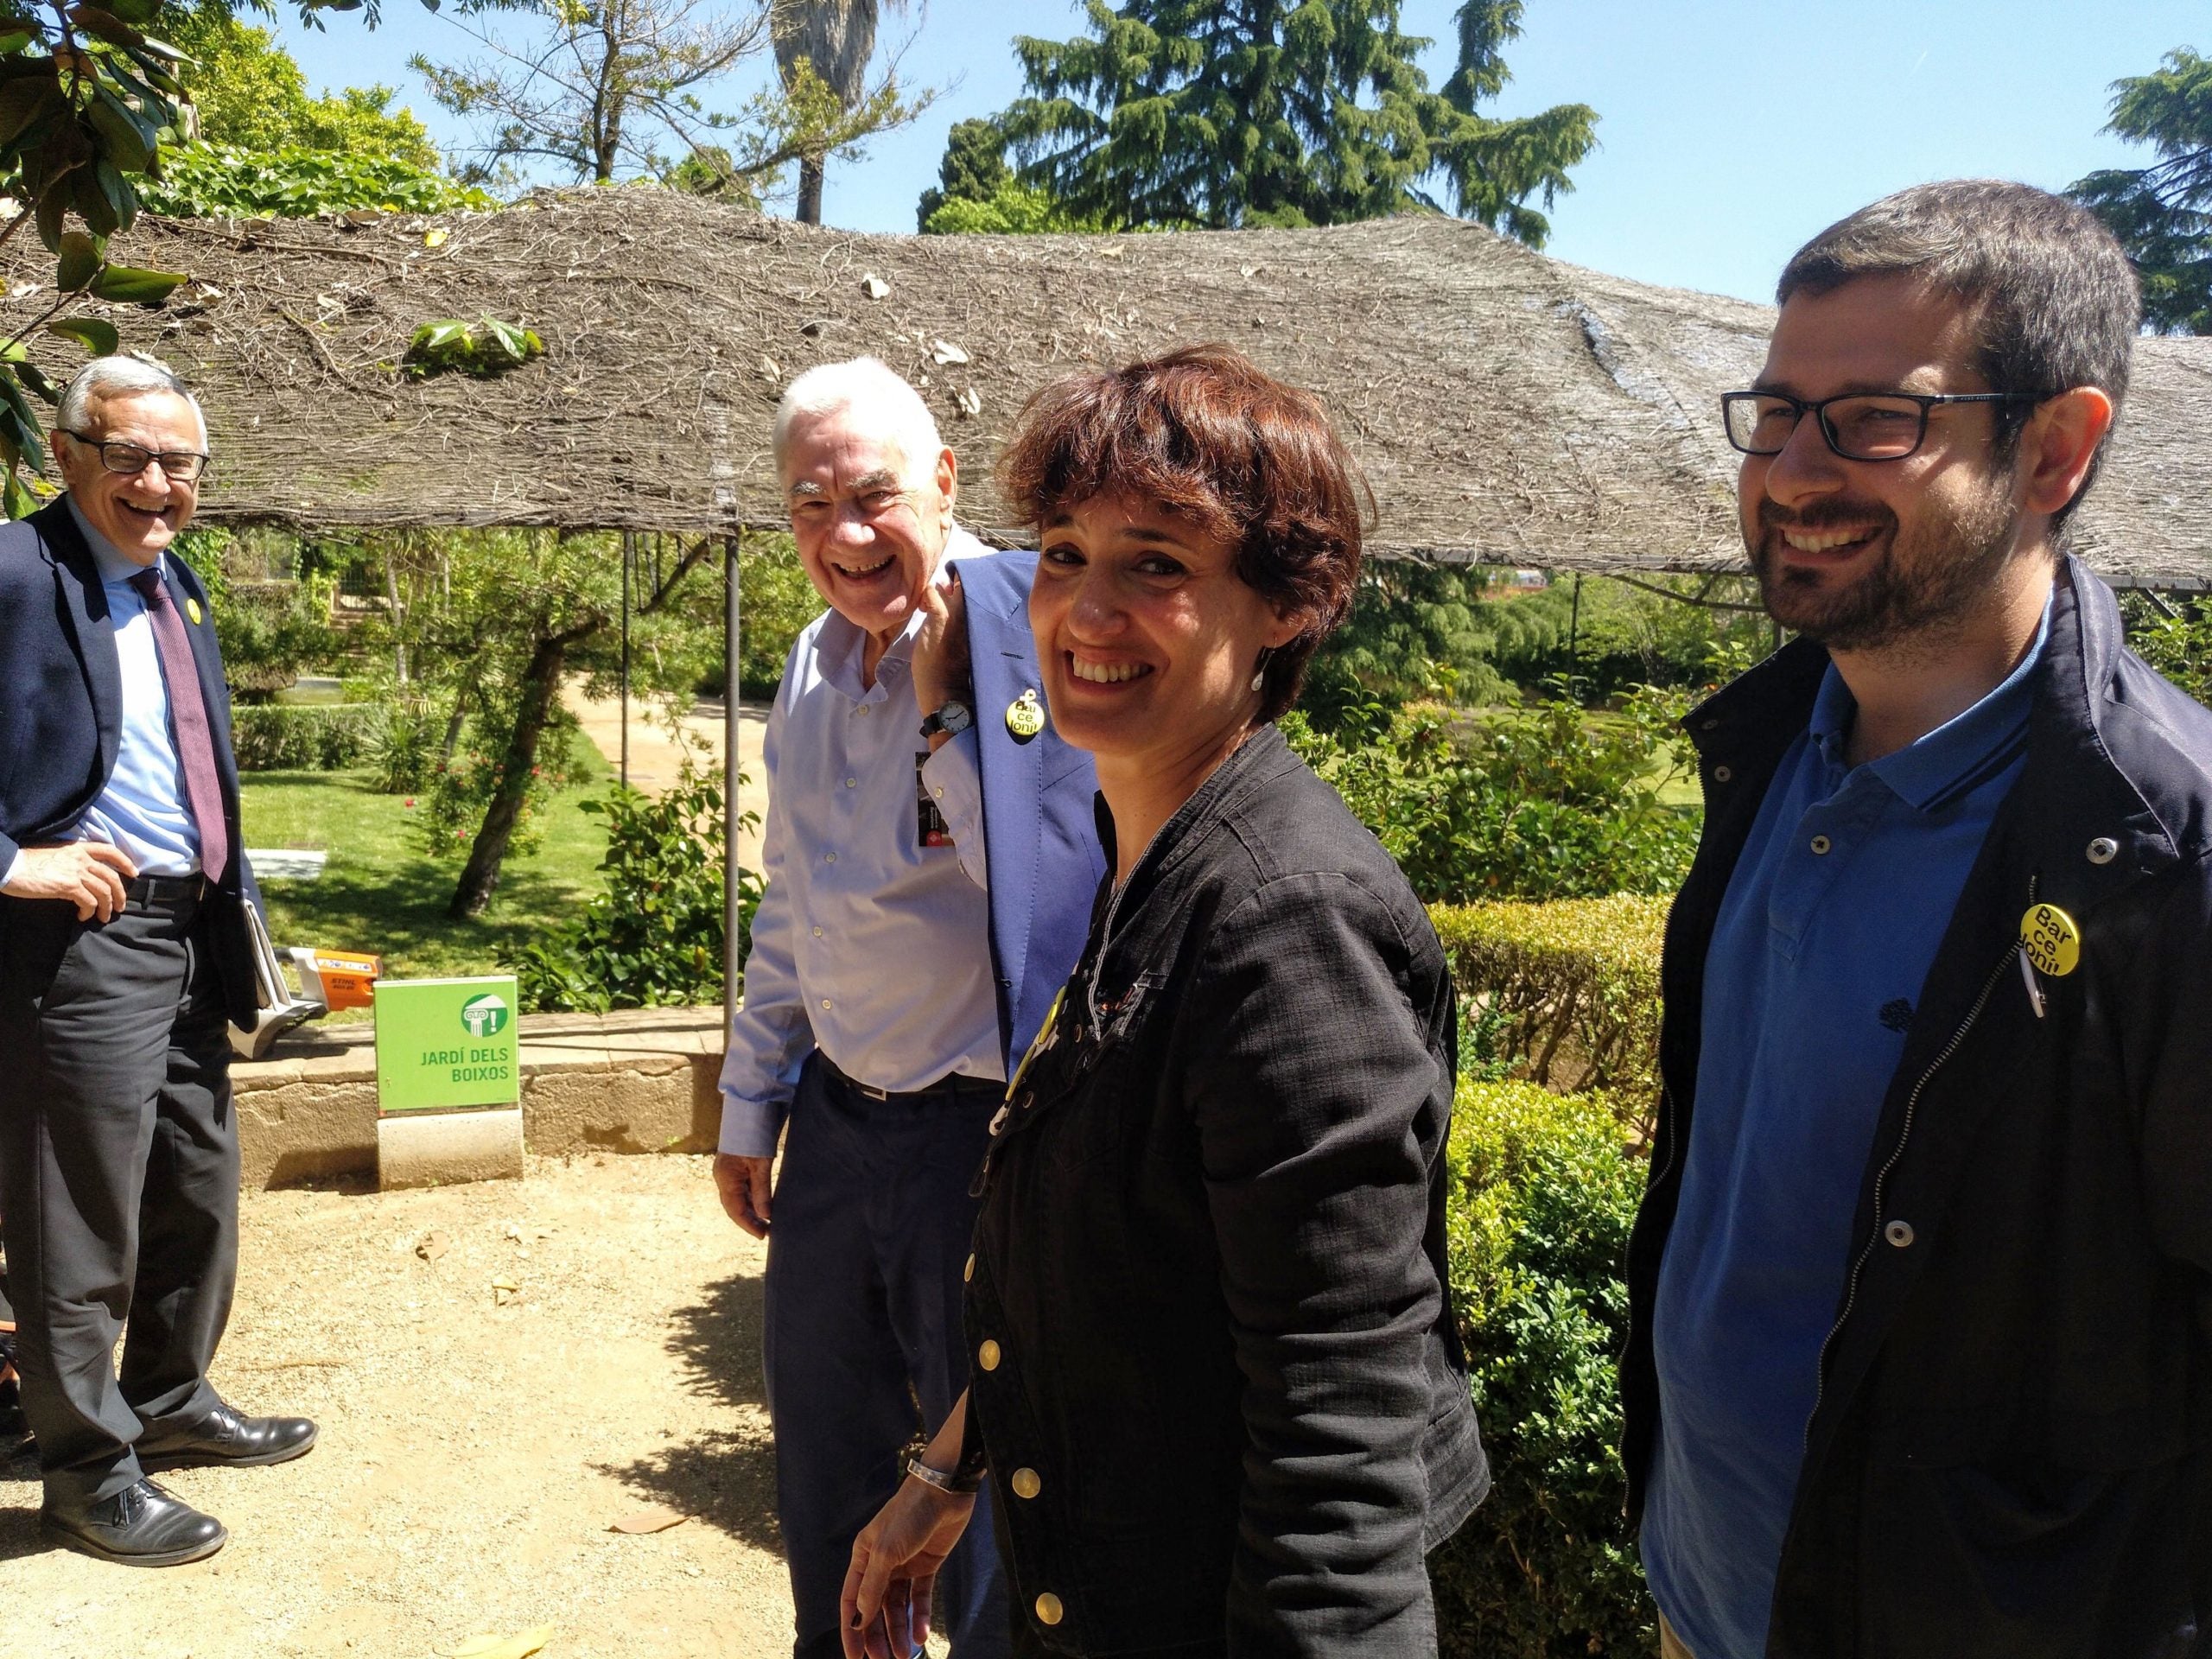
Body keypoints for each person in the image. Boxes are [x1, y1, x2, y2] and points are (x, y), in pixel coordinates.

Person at [1623, 180, 2212, 1659]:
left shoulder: (2162, 854)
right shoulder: (1765, 754)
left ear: (2056, 449)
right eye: (1775, 412)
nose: (1794, 471)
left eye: (1878, 417)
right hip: (1711, 1591)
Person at [841, 345, 1489, 1657]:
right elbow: (1093, 1272)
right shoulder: (1146, 846)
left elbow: (1340, 1458)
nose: (1084, 612)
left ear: (1287, 607)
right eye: (1067, 554)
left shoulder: (1282, 922)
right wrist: (949, 1465)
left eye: (1159, 565)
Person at [714, 357, 1102, 1659]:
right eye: (810, 505)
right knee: (825, 1452)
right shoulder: (815, 662)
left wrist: (943, 703)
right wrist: (750, 1098)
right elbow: (795, 900)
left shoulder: (1025, 624)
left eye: (873, 494)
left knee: (986, 1473)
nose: (847, 534)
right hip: (837, 1119)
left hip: (973, 1134)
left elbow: (1043, 895)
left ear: (942, 482)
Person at [0, 357, 315, 1567]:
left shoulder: (176, 585)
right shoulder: (17, 575)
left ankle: (171, 1399)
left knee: (195, 1181)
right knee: (74, 1215)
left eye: (178, 461)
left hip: (194, 934)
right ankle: (85, 1472)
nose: (155, 480)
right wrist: (10, 862)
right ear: (65, 453)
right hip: (76, 943)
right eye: (128, 454)